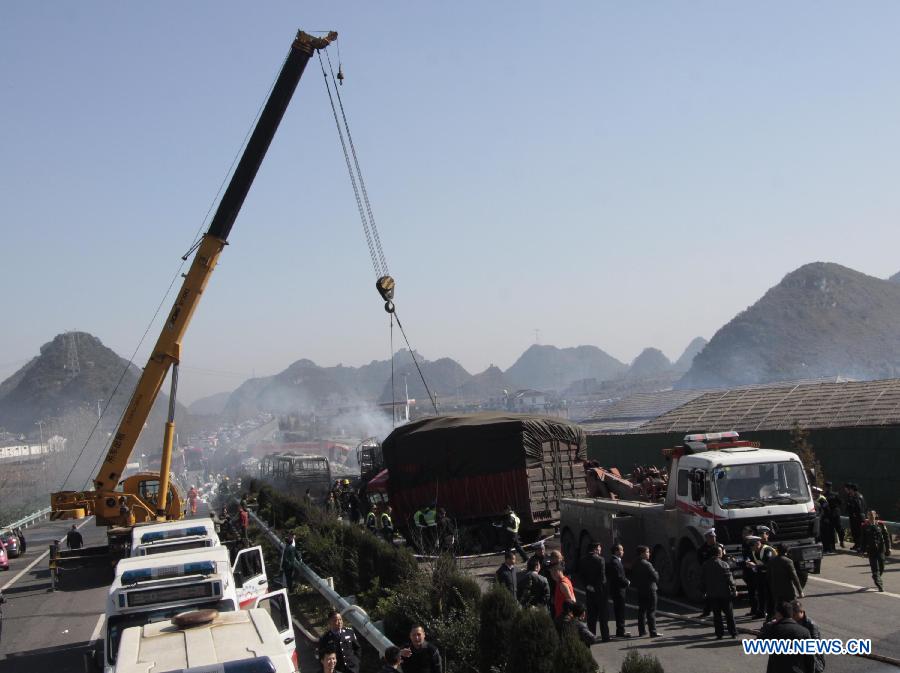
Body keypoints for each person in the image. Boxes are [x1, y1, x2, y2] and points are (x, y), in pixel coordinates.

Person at [758, 602, 814, 673]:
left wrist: (768, 625)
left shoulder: (772, 629)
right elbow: (810, 659)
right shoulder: (804, 632)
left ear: (779, 614)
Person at [701, 544, 737, 639]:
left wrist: (703, 591)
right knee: (729, 615)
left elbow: (702, 580)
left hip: (712, 594)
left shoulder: (705, 565)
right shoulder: (724, 564)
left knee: (717, 616)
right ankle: (733, 632)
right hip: (725, 594)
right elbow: (730, 579)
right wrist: (734, 589)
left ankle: (719, 634)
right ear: (718, 553)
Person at [578, 540, 609, 641]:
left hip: (589, 592)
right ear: (595, 549)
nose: (600, 550)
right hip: (600, 591)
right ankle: (605, 637)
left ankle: (591, 636)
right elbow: (602, 578)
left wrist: (588, 586)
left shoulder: (583, 560)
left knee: (592, 616)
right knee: (603, 616)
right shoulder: (600, 560)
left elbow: (581, 576)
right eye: (599, 549)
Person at [631, 545, 660, 638]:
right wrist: (656, 573)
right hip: (650, 590)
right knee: (651, 611)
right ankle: (653, 631)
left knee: (641, 611)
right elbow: (655, 577)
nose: (649, 554)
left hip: (641, 590)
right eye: (647, 552)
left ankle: (642, 631)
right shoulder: (647, 564)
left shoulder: (635, 563)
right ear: (642, 553)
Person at [861, 509, 892, 592]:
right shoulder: (865, 526)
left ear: (875, 515)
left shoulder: (881, 525)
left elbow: (886, 537)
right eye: (869, 515)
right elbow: (863, 539)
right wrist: (863, 550)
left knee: (882, 566)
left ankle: (876, 576)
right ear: (867, 516)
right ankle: (879, 584)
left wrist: (889, 547)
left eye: (872, 515)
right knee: (875, 568)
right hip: (871, 550)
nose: (871, 516)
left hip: (881, 549)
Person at [792, 600, 825, 673]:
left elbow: (814, 645)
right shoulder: (794, 622)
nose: (792, 617)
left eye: (794, 615)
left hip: (813, 658)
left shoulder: (811, 625)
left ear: (801, 612)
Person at [768, 544, 803, 611]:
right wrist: (800, 591)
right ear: (786, 551)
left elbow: (768, 577)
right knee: (793, 607)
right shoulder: (788, 561)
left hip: (776, 590)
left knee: (779, 608)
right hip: (788, 590)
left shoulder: (771, 561)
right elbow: (794, 577)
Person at [606, 544, 631, 638]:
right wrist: (627, 582)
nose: (623, 551)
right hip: (618, 590)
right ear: (616, 551)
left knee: (619, 611)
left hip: (617, 590)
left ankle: (620, 630)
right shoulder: (615, 562)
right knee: (620, 611)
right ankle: (621, 631)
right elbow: (618, 577)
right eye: (621, 550)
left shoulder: (615, 561)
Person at [696, 530, 721, 617]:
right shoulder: (702, 549)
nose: (713, 539)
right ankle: (707, 610)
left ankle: (720, 610)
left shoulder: (719, 546)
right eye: (711, 537)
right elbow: (700, 561)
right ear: (707, 538)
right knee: (707, 592)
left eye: (714, 537)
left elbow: (724, 558)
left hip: (718, 573)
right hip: (708, 574)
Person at [824, 482, 845, 549]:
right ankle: (840, 542)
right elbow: (841, 502)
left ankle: (833, 545)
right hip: (835, 513)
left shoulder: (825, 495)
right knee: (838, 529)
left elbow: (840, 502)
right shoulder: (835, 494)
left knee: (832, 530)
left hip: (831, 514)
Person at [846, 483, 866, 552]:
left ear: (853, 489)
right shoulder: (857, 496)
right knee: (855, 532)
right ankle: (857, 545)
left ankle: (860, 546)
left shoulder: (857, 497)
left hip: (858, 517)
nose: (849, 490)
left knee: (859, 532)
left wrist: (855, 514)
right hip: (858, 516)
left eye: (850, 489)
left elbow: (859, 507)